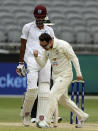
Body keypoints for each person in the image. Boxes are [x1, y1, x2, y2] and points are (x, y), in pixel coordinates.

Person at [33, 33, 89, 128]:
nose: (43, 48)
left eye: (44, 45)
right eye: (41, 46)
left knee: (52, 94)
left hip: (65, 75)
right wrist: (36, 57)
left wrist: (79, 74)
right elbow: (42, 64)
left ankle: (46, 122)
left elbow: (74, 58)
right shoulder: (46, 50)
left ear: (50, 41)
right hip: (56, 77)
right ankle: (82, 116)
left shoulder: (63, 45)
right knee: (63, 100)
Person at [16, 5, 54, 126]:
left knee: (44, 89)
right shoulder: (27, 27)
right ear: (34, 15)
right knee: (32, 89)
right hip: (31, 60)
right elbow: (23, 45)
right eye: (37, 17)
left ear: (45, 16)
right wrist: (21, 63)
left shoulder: (49, 30)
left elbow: (52, 48)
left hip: (45, 60)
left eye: (41, 16)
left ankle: (41, 118)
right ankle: (26, 115)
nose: (39, 19)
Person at [31, 16, 62, 123]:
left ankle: (52, 115)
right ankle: (34, 115)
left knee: (50, 90)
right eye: (47, 25)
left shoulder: (52, 38)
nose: (48, 27)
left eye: (49, 25)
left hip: (50, 66)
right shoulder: (38, 38)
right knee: (38, 89)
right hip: (39, 64)